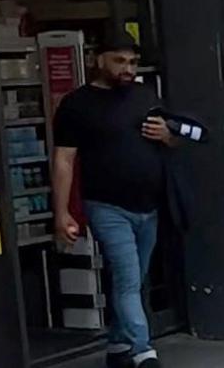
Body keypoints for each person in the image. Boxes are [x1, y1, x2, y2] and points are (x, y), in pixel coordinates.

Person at [52, 39, 181, 368]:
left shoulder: (144, 95)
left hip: (149, 206)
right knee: (127, 278)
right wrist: (62, 211)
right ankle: (142, 349)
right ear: (98, 60)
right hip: (106, 206)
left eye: (133, 62)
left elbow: (174, 139)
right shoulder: (76, 104)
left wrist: (167, 135)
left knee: (135, 280)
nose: (128, 69)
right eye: (119, 60)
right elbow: (64, 160)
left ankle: (117, 345)